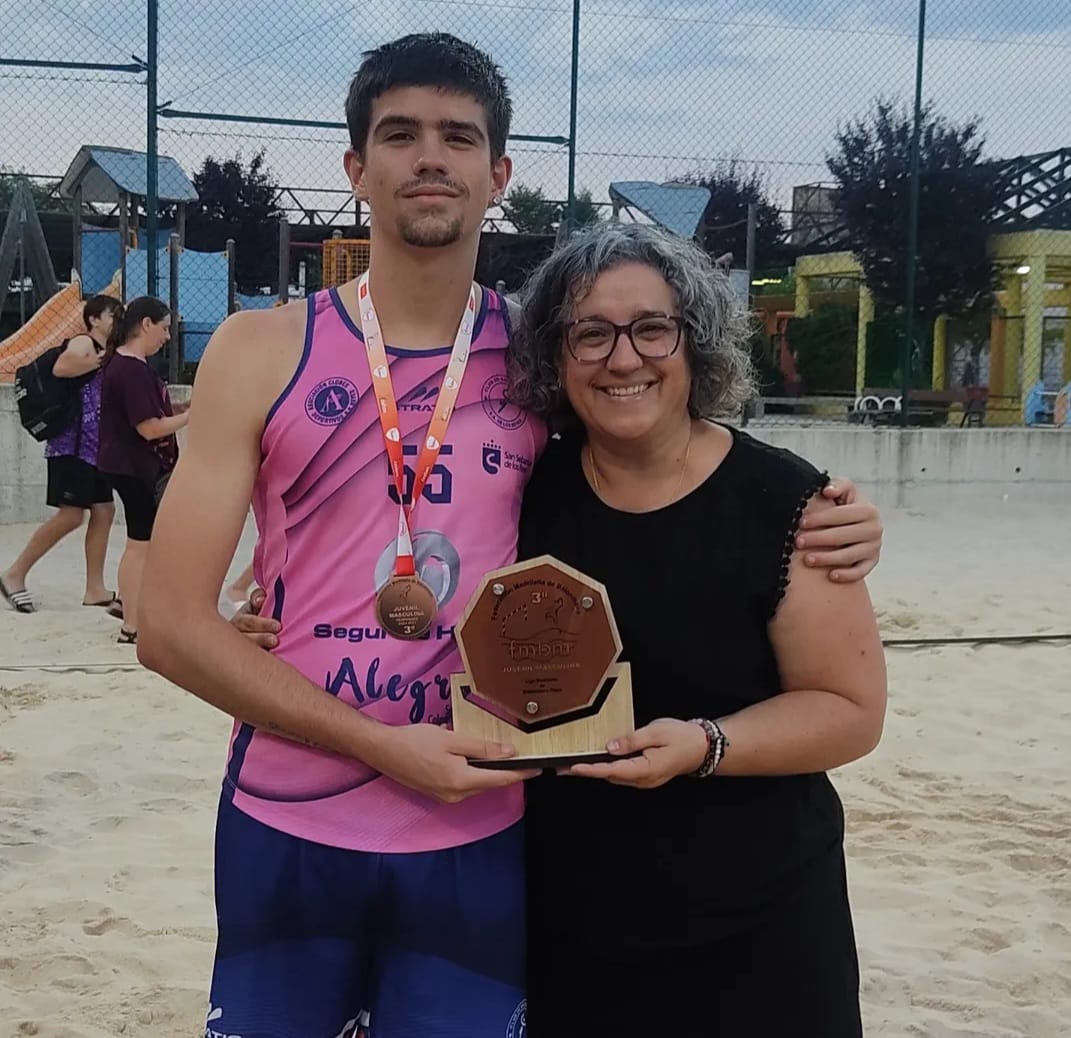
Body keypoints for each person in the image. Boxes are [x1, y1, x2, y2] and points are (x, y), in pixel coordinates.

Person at [137, 34, 884, 1038]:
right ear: (356, 167)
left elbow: (678, 457)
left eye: (459, 136)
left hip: (483, 819)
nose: (429, 157)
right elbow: (168, 627)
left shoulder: (545, 356)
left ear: (501, 175)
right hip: (290, 812)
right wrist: (370, 732)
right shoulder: (261, 348)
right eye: (400, 134)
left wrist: (828, 507)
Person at [510, 223, 887, 1037]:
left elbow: (849, 709)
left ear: (695, 341)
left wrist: (704, 745)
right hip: (572, 922)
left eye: (652, 327)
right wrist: (274, 602)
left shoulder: (788, 505)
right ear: (553, 352)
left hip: (757, 928)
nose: (623, 358)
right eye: (589, 332)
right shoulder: (521, 494)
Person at [1, 294, 122, 615]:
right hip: (72, 447)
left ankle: (95, 589)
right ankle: (14, 574)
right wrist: (103, 361)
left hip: (92, 450)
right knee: (71, 515)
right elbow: (63, 367)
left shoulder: (102, 351)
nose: (118, 320)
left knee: (104, 510)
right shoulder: (84, 343)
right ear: (95, 319)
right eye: (114, 315)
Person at [97, 296, 188, 644]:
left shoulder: (125, 365)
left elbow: (153, 412)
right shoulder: (131, 368)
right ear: (146, 324)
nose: (166, 336)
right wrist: (195, 415)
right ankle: (132, 623)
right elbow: (149, 428)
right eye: (164, 328)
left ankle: (134, 612)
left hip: (126, 464)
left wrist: (182, 408)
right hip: (133, 466)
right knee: (140, 544)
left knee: (143, 543)